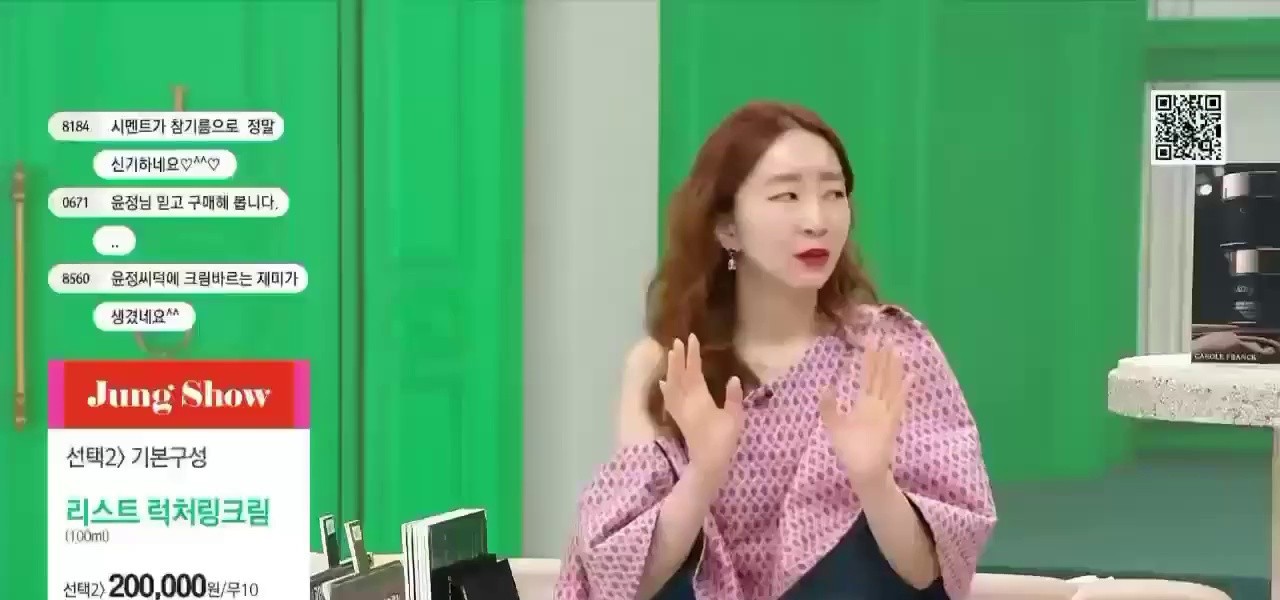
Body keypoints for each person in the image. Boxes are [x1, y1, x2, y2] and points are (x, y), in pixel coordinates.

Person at [554, 101, 997, 600]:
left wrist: (875, 482)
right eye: (787, 195)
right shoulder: (664, 366)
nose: (816, 220)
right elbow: (625, 583)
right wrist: (704, 473)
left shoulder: (892, 349)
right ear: (728, 227)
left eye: (833, 193)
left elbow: (930, 573)